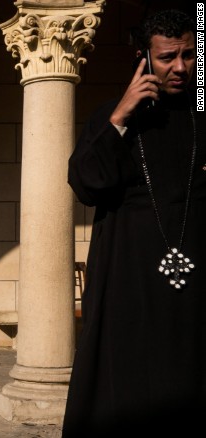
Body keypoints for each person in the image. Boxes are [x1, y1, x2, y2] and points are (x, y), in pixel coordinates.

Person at [64, 9, 206, 436]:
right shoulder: (112, 116)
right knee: (128, 381)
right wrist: (121, 116)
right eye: (167, 58)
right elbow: (86, 183)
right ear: (144, 58)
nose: (180, 67)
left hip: (196, 284)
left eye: (189, 55)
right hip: (128, 278)